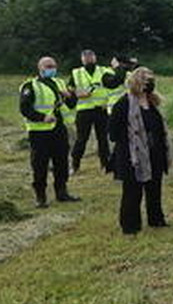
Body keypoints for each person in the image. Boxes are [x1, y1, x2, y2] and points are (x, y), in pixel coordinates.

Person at [108, 67, 170, 235]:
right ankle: (130, 226)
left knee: (154, 188)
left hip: (154, 151)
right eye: (146, 79)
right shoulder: (124, 103)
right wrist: (132, 141)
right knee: (132, 192)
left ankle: (156, 219)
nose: (150, 83)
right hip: (132, 155)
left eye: (152, 79)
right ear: (136, 81)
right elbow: (113, 132)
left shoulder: (152, 102)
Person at [20, 56, 80, 208]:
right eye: (48, 66)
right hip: (39, 132)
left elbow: (71, 105)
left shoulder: (60, 82)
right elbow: (24, 108)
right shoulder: (30, 86)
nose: (51, 68)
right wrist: (42, 117)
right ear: (40, 68)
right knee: (40, 165)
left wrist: (70, 96)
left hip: (59, 129)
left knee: (61, 162)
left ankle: (62, 192)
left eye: (53, 66)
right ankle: (41, 197)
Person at [70, 49, 123, 174]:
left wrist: (119, 68)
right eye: (86, 57)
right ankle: (75, 164)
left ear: (95, 58)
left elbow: (116, 81)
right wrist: (78, 93)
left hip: (101, 109)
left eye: (91, 56)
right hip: (84, 111)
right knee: (81, 139)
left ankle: (105, 165)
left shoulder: (103, 71)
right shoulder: (76, 73)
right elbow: (70, 90)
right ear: (82, 59)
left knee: (103, 139)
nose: (88, 59)